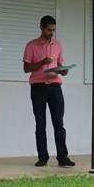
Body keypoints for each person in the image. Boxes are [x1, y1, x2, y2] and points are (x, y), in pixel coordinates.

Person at [23, 15, 75, 168]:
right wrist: (41, 63)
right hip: (38, 87)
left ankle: (63, 157)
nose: (51, 33)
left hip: (55, 86)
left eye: (54, 30)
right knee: (40, 123)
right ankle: (43, 157)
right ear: (41, 28)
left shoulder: (58, 45)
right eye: (49, 30)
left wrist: (63, 71)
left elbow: (59, 64)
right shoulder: (31, 45)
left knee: (59, 123)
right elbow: (26, 69)